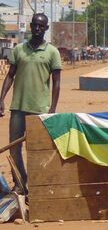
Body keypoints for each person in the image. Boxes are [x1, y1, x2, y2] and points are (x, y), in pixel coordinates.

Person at [0, 13, 62, 194]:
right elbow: (10, 75)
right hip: (18, 108)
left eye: (41, 26)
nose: (37, 29)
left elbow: (57, 83)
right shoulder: (19, 50)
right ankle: (20, 184)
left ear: (46, 28)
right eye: (35, 25)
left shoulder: (52, 52)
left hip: (40, 110)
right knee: (14, 148)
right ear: (30, 26)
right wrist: (2, 99)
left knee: (38, 149)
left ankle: (38, 187)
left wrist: (52, 109)